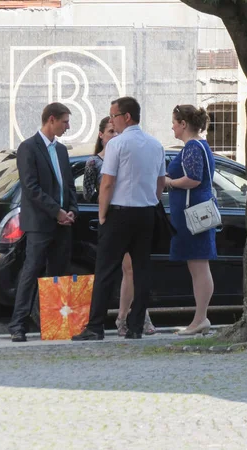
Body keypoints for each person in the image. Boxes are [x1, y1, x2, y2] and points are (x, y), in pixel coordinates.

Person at [72, 97, 165, 341]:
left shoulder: (117, 145)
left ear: (126, 117)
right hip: (146, 213)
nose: (111, 119)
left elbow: (107, 183)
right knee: (142, 270)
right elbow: (160, 183)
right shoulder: (156, 145)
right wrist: (151, 201)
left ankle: (95, 327)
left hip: (119, 213)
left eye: (113, 115)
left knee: (105, 271)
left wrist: (103, 214)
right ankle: (135, 326)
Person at [8, 102, 78, 343]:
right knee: (32, 271)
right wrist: (56, 211)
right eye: (65, 121)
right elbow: (31, 187)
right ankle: (18, 325)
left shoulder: (61, 150)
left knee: (58, 274)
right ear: (51, 120)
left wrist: (71, 210)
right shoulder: (28, 148)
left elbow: (68, 185)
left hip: (63, 224)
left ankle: (55, 324)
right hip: (40, 223)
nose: (68, 126)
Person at [164, 105, 217, 335]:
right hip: (196, 212)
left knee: (198, 266)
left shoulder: (193, 147)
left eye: (175, 122)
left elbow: (193, 179)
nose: (173, 126)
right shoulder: (199, 146)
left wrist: (170, 182)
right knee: (198, 266)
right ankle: (200, 318)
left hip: (192, 214)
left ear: (184, 124)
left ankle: (200, 318)